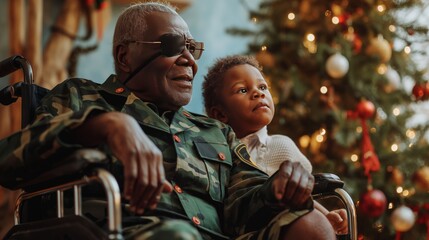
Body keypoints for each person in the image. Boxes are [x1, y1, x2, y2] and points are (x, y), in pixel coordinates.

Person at [0, 2, 336, 240]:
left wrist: (277, 188)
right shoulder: (79, 97)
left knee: (311, 226)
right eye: (174, 45)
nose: (190, 60)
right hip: (118, 232)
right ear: (124, 56)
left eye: (192, 47)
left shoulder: (215, 131)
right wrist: (107, 125)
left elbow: (242, 203)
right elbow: (10, 161)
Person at [202, 55, 348, 235]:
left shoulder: (281, 146)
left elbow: (301, 195)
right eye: (242, 90)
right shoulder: (214, 152)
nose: (258, 93)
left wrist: (326, 216)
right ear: (220, 114)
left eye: (262, 87)